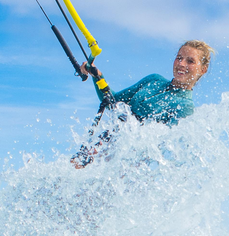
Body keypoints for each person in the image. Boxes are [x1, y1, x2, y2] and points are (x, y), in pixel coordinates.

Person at [73, 40, 212, 165]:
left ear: (203, 69)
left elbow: (158, 145)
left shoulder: (186, 107)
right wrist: (97, 76)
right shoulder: (153, 80)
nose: (181, 64)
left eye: (190, 61)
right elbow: (112, 103)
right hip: (103, 143)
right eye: (179, 58)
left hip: (126, 164)